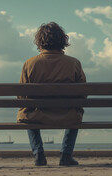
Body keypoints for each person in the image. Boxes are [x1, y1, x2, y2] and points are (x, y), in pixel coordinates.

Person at [17, 22, 86, 166]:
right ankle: (66, 155)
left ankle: (39, 154)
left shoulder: (30, 63)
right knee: (76, 111)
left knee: (26, 112)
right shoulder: (74, 63)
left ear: (40, 42)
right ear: (62, 41)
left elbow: (21, 96)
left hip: (36, 115)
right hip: (68, 115)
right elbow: (83, 94)